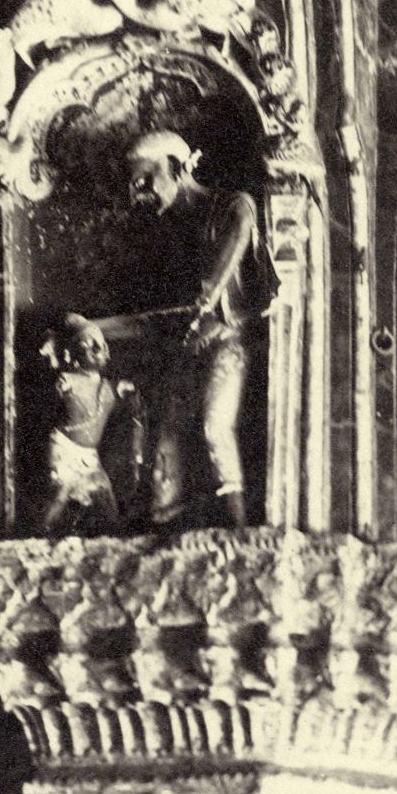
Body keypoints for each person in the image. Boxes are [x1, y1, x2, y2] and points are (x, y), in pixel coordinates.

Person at [123, 130, 271, 529]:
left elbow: (240, 231)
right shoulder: (172, 233)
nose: (139, 191)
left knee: (214, 425)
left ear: (176, 168)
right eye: (134, 184)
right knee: (164, 441)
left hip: (228, 342)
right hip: (189, 350)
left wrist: (210, 293)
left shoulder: (231, 205)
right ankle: (166, 531)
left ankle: (239, 530)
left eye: (146, 178)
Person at [30, 313, 124, 534]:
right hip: (65, 451)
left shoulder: (111, 387)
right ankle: (35, 539)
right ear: (72, 355)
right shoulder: (67, 381)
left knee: (106, 501)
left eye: (99, 343)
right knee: (60, 494)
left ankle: (112, 540)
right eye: (87, 344)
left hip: (90, 457)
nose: (96, 348)